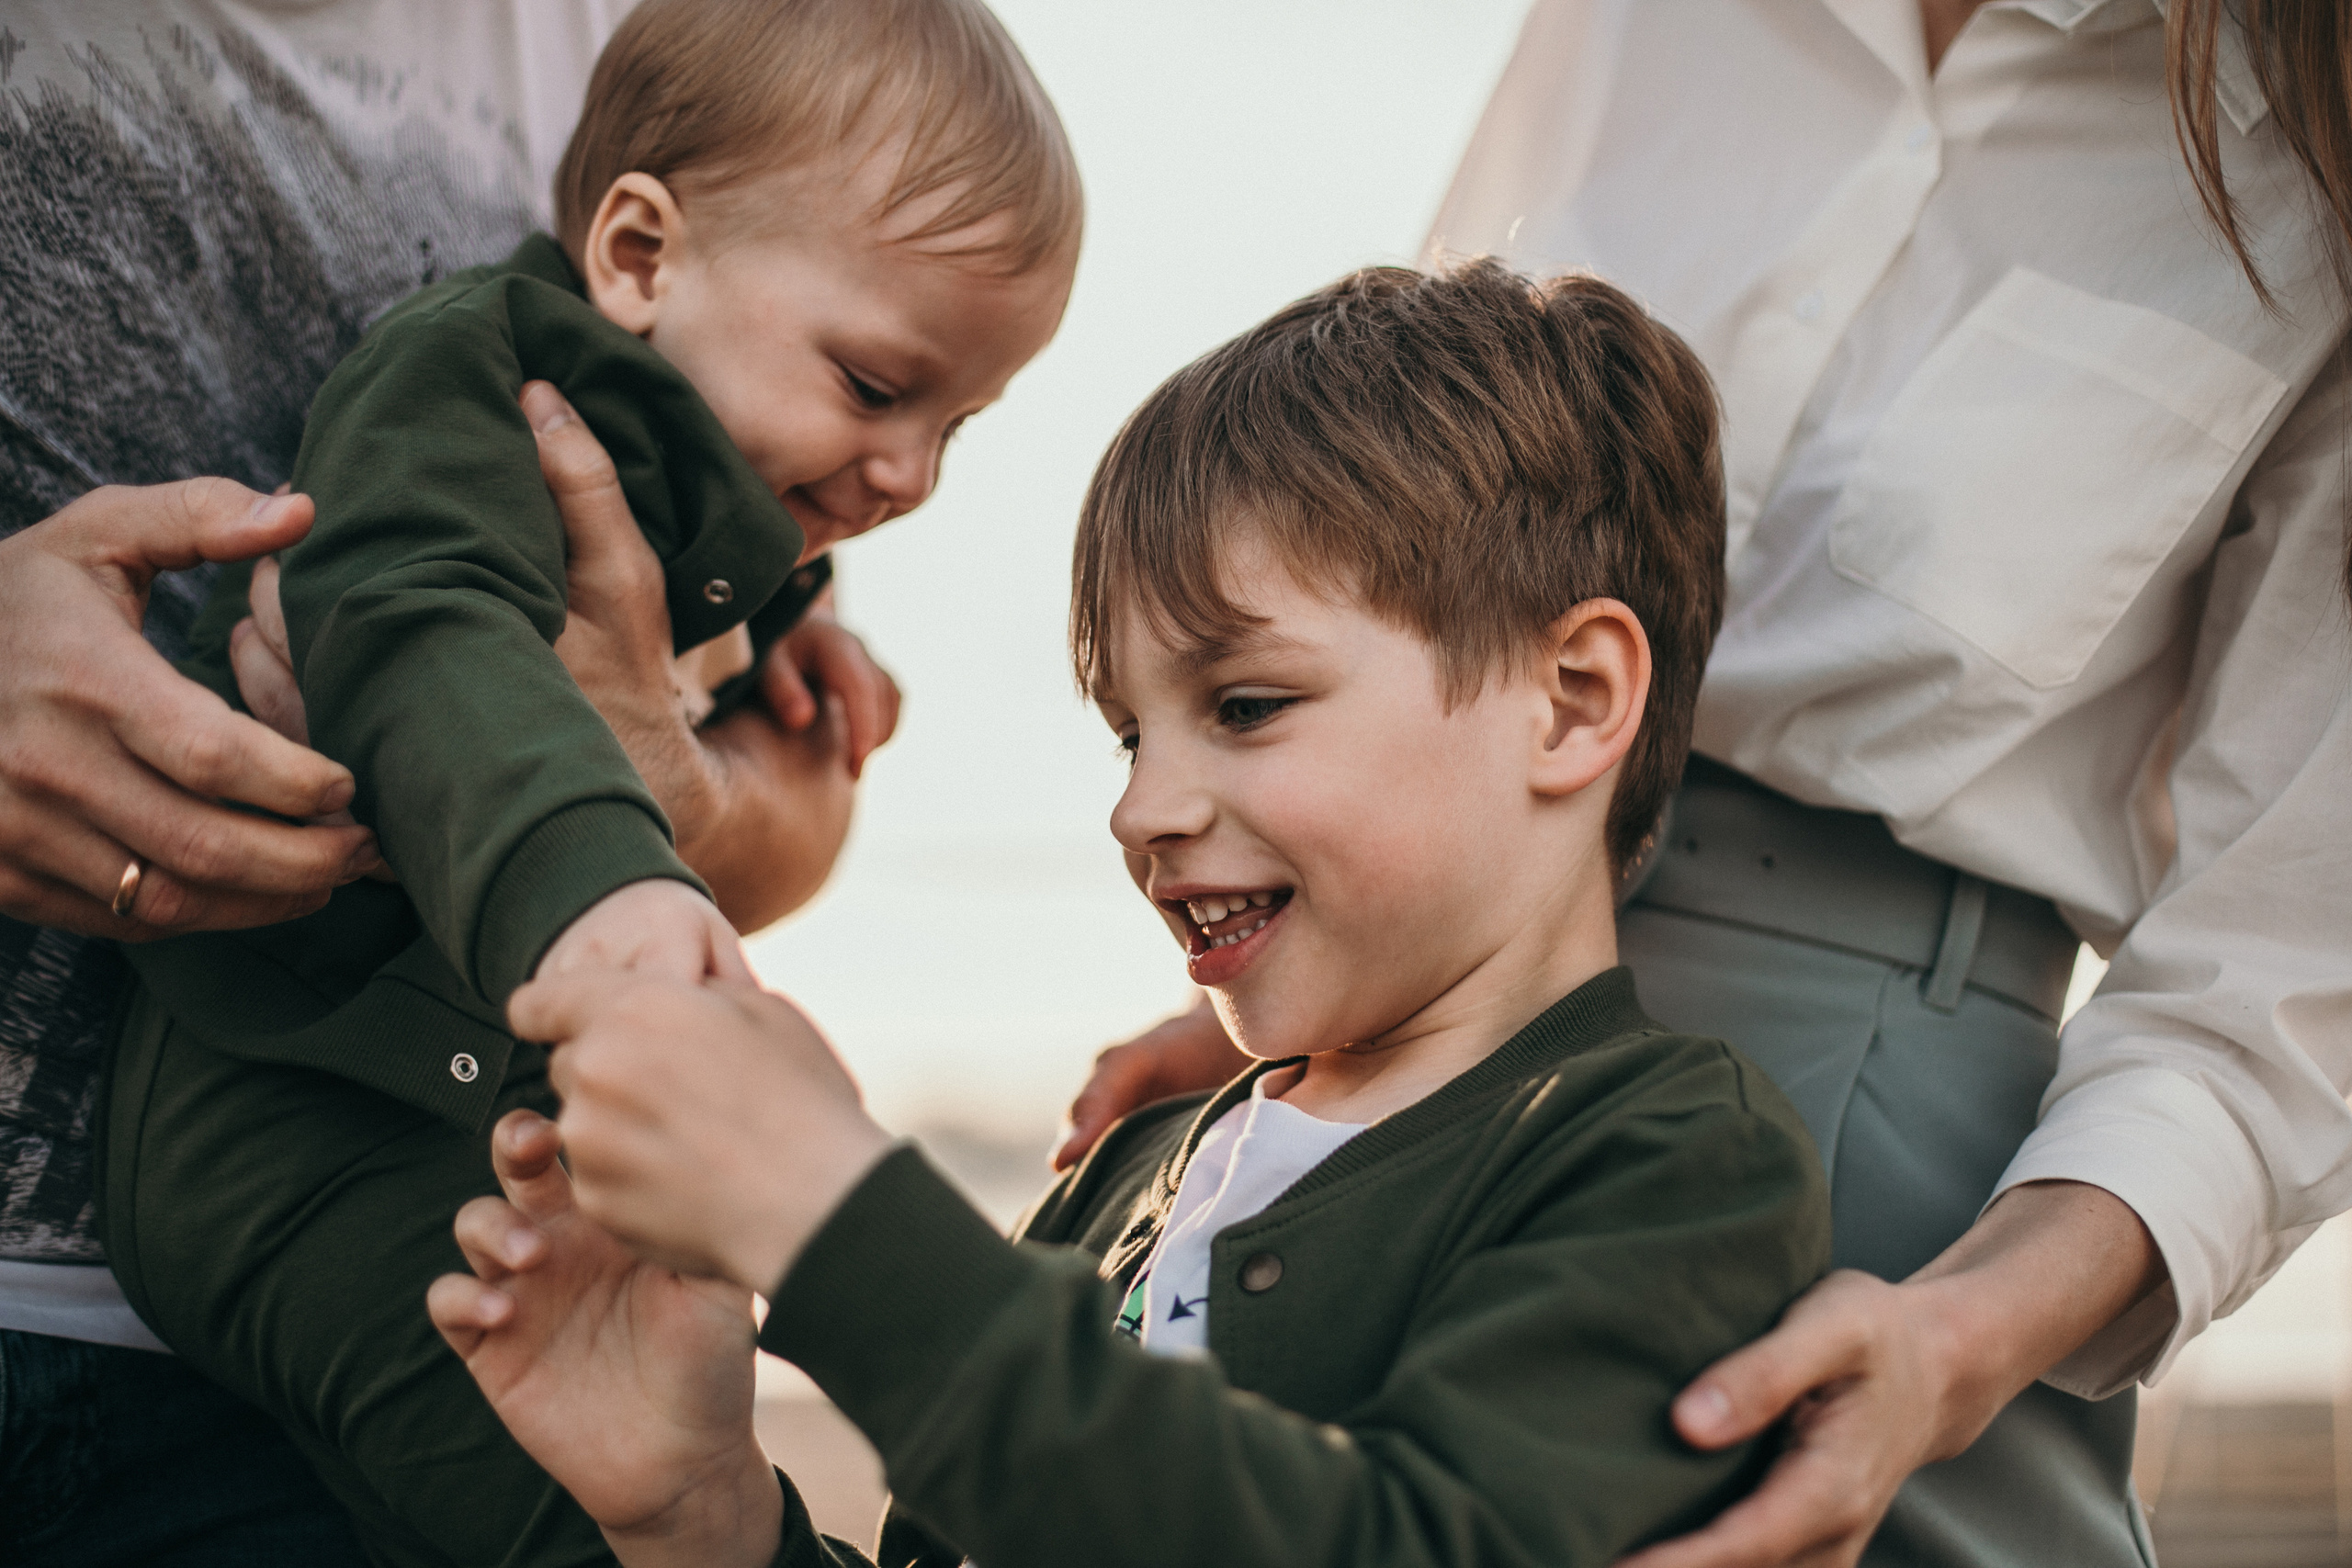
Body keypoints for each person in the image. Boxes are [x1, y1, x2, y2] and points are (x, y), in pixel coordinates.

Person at [1060, 3, 2352, 1565]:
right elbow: (1388, 519)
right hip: (1432, 1006)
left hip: (1902, 1159)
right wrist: (1304, 989)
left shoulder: (2315, 137)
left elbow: (2286, 966)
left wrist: (1956, 1340)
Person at [427, 258, 1835, 1568]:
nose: (1141, 810)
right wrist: (703, 1509)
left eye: (1248, 705)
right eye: (1128, 736)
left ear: (1572, 701)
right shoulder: (1124, 1181)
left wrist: (842, 1225)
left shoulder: (1672, 1164)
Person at [87, 1, 1079, 1563]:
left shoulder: (728, 461)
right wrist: (598, 892)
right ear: (637, 254)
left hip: (467, 1111)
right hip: (288, 1127)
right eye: (874, 388)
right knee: (554, 1503)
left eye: (956, 425)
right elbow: (430, 626)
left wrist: (783, 641)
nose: (910, 476)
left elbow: (689, 655)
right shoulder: (473, 390)